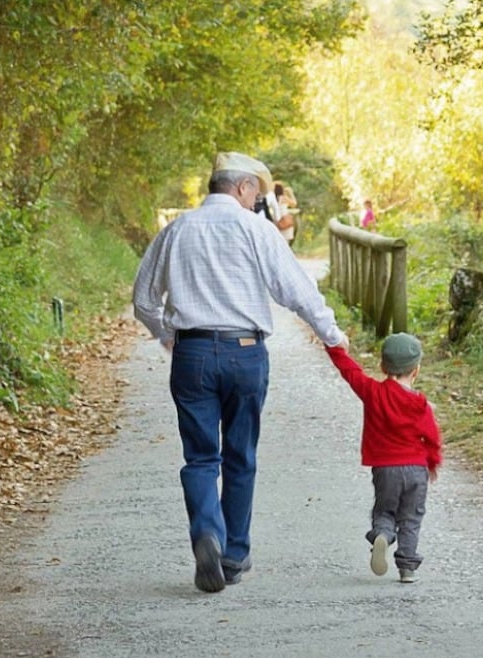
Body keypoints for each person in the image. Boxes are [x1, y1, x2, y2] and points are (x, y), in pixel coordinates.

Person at [133, 151, 349, 593]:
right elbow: (296, 291)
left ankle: (207, 534)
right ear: (242, 187)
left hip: (192, 353)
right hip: (246, 352)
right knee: (240, 455)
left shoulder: (177, 229)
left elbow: (143, 300)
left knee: (199, 457)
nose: (257, 201)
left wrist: (166, 334)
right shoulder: (257, 230)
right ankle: (233, 554)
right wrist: (331, 334)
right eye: (257, 193)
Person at [324, 332, 442, 583]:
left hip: (385, 469)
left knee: (385, 510)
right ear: (416, 370)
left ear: (382, 366)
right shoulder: (420, 403)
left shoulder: (372, 392)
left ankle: (382, 535)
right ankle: (407, 568)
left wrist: (333, 344)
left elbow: (349, 371)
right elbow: (432, 437)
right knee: (411, 517)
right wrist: (432, 463)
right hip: (416, 469)